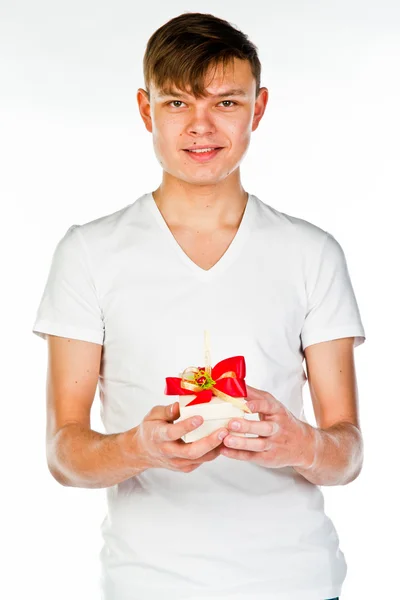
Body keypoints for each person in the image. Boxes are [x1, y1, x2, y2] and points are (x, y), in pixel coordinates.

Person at [32, 11, 365, 600]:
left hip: (297, 581)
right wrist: (136, 447)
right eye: (178, 103)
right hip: (147, 585)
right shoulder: (89, 251)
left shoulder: (311, 253)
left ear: (258, 109)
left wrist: (301, 443)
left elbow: (347, 454)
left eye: (226, 103)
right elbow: (65, 453)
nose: (201, 126)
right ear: (146, 110)